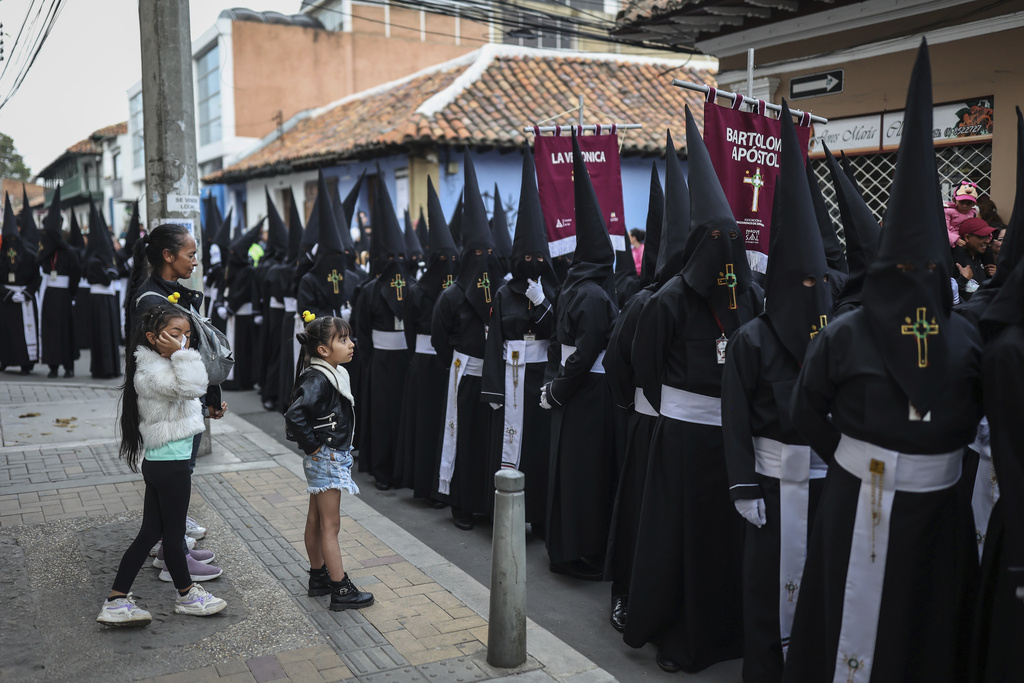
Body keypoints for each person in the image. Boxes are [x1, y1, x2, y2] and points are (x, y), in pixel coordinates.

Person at [783, 42, 982, 683]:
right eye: (903, 271)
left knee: (920, 629)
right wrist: (862, 457)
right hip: (854, 498)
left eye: (926, 272)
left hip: (937, 516)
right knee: (843, 617)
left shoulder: (969, 340)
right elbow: (807, 408)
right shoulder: (844, 335)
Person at [624, 107, 757, 673]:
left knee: (722, 545)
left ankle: (726, 632)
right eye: (717, 239)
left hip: (728, 443)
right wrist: (679, 407)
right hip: (678, 437)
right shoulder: (669, 299)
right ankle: (674, 634)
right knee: (676, 542)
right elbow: (643, 363)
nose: (726, 250)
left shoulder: (748, 297)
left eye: (735, 239)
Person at [721, 100, 833, 683]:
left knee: (816, 583)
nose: (813, 292)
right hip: (766, 480)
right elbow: (736, 417)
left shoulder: (835, 336)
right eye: (803, 282)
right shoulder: (751, 340)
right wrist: (742, 485)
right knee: (766, 589)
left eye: (821, 283)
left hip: (819, 483)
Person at [96, 304, 227, 626]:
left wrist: (209, 412)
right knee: (172, 534)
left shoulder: (160, 368)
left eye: (187, 335)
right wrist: (185, 355)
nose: (183, 341)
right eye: (175, 334)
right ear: (153, 337)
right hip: (171, 464)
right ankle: (187, 594)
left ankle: (116, 600)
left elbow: (178, 406)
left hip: (165, 461)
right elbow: (194, 385)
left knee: (151, 533)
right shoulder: (155, 370)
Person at [541, 134, 619, 580]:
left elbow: (560, 345)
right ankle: (581, 551)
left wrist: (554, 386)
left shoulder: (574, 286)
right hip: (587, 393)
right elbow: (586, 351)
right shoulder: (592, 294)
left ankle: (567, 547)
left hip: (572, 392)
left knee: (570, 473)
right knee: (585, 477)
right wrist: (561, 388)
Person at [602, 152, 672, 634]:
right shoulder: (646, 302)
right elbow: (616, 359)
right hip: (650, 425)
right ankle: (628, 594)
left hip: (695, 431)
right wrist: (633, 407)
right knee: (642, 518)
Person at [130, 223, 228, 553]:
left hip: (188, 400)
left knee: (183, 472)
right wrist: (197, 392)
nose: (196, 261)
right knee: (175, 474)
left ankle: (173, 537)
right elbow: (165, 361)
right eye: (191, 254)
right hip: (171, 405)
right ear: (168, 256)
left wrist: (211, 396)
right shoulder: (151, 301)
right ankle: (174, 553)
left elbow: (196, 350)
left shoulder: (178, 294)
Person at [480, 145, 559, 535]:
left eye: (537, 258)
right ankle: (511, 516)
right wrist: (493, 390)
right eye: (525, 258)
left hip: (542, 377)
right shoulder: (503, 292)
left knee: (542, 449)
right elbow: (494, 342)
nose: (532, 265)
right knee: (511, 446)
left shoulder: (553, 290)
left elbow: (559, 335)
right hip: (511, 381)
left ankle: (542, 516)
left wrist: (542, 302)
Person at [284, 314, 374, 611]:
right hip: (327, 457)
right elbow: (294, 416)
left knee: (317, 520)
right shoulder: (319, 378)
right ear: (323, 350)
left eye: (349, 338)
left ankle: (318, 577)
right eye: (343, 339)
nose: (351, 344)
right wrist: (313, 447)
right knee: (330, 526)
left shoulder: (325, 372)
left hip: (326, 456)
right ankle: (341, 588)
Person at [432, 151, 497, 530]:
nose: (484, 260)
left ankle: (485, 502)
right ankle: (459, 504)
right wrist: (456, 361)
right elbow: (441, 340)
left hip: (492, 374)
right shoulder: (452, 295)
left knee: (487, 440)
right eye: (478, 253)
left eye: (489, 253)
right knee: (461, 438)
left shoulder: (500, 291)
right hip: (462, 370)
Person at [393, 177, 458, 502]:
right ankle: (428, 485)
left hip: (431, 363)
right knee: (431, 423)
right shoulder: (421, 292)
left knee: (439, 424)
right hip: (434, 364)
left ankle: (436, 485)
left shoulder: (421, 290)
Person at [353, 170, 412, 491]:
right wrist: (369, 361)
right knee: (381, 416)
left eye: (400, 257)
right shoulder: (370, 290)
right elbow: (360, 329)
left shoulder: (413, 287)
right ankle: (382, 470)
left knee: (405, 416)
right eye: (390, 257)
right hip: (379, 362)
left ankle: (404, 469)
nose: (396, 263)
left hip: (406, 361)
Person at [37, 188, 81, 378]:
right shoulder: (45, 250)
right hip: (49, 294)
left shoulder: (69, 251)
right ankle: (53, 366)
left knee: (66, 331)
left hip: (64, 296)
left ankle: (68, 366)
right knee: (50, 331)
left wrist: (72, 293)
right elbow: (37, 264)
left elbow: (76, 273)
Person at [0, 193, 41, 374]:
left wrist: (26, 293)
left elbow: (36, 277)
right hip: (6, 299)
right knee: (5, 331)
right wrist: (7, 293)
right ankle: (5, 360)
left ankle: (26, 362)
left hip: (24, 298)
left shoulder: (29, 254)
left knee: (24, 331)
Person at [84, 197, 123, 378]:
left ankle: (113, 367)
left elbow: (115, 272)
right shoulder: (92, 260)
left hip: (108, 298)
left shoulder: (106, 259)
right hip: (98, 299)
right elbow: (106, 278)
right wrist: (110, 273)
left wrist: (112, 271)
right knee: (102, 334)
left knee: (111, 333)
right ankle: (103, 369)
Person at [953, 217, 996, 301]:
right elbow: (944, 294)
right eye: (982, 236)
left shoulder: (984, 257)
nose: (987, 241)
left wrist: (997, 276)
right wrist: (963, 280)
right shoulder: (955, 260)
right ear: (967, 238)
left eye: (988, 236)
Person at [945, 179, 980, 248]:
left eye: (968, 203)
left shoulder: (974, 213)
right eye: (962, 202)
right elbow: (944, 229)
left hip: (968, 240)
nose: (965, 206)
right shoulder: (948, 211)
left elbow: (978, 227)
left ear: (973, 204)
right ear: (954, 200)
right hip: (953, 243)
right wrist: (956, 240)